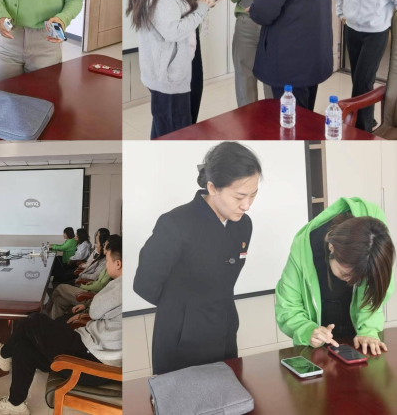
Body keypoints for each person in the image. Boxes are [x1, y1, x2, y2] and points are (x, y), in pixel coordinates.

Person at [134, 142, 261, 375]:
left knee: (227, 389)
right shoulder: (175, 223)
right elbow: (144, 284)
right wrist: (183, 311)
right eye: (239, 196)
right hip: (182, 337)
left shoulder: (243, 224)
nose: (247, 205)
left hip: (225, 329)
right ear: (212, 188)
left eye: (253, 195)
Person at [0, 234, 122, 414]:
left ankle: (4, 354)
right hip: (90, 349)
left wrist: (95, 303)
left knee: (34, 320)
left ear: (118, 264)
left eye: (108, 261)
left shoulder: (122, 286)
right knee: (24, 346)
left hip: (92, 362)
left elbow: (96, 310)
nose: (106, 264)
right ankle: (15, 403)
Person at [276, 197, 395, 356]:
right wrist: (307, 330)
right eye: (346, 274)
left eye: (359, 279)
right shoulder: (303, 249)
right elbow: (288, 307)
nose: (352, 282)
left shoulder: (374, 241)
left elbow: (375, 292)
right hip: (318, 348)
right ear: (331, 247)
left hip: (359, 343)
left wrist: (368, 330)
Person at [126, 0, 218, 139]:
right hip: (170, 79)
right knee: (176, 137)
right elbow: (173, 31)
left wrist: (198, 7)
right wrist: (201, 10)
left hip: (165, 75)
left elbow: (172, 19)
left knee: (162, 131)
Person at [335, 0, 397, 132]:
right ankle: (367, 121)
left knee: (362, 80)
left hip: (375, 35)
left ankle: (361, 128)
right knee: (359, 80)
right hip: (352, 32)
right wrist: (341, 14)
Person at [45, 237, 114, 319]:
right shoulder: (104, 260)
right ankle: (51, 321)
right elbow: (98, 281)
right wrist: (90, 282)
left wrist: (83, 286)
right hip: (90, 289)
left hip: (90, 295)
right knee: (59, 300)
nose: (101, 246)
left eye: (104, 245)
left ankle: (46, 310)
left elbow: (100, 285)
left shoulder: (108, 264)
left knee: (60, 287)